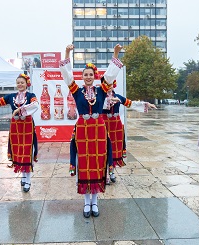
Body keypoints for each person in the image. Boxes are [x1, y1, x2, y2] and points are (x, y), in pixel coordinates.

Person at [60, 43, 123, 218]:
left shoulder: (101, 89)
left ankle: (95, 201)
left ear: (95, 76)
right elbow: (66, 75)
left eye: (91, 75)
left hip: (99, 131)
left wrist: (115, 53)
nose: (88, 77)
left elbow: (110, 75)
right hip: (82, 131)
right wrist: (67, 52)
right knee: (84, 164)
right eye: (85, 75)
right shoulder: (76, 91)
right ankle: (86, 202)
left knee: (97, 164)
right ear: (82, 77)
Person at [102, 85, 157, 183]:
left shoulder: (118, 97)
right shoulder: (99, 97)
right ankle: (104, 173)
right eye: (106, 84)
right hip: (104, 125)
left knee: (115, 149)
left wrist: (146, 104)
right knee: (104, 149)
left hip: (116, 127)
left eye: (110, 84)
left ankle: (111, 172)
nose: (108, 86)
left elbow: (130, 103)